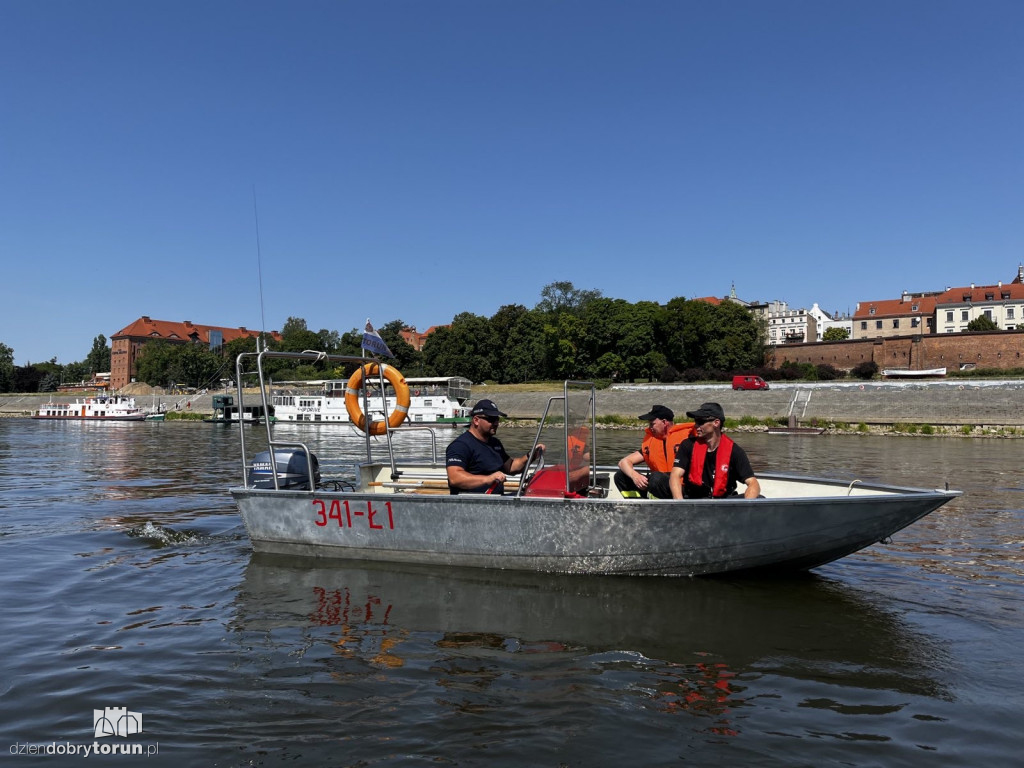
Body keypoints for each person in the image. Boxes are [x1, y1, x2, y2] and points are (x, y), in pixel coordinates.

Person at [446, 399, 545, 495]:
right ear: (476, 420)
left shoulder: (495, 443)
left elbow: (511, 467)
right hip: (471, 504)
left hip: (496, 502)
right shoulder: (460, 445)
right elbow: (455, 478)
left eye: (497, 419)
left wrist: (531, 455)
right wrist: (488, 479)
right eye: (492, 419)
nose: (496, 423)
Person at [669, 402, 761, 499]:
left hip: (723, 502)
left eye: (700, 422)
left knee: (760, 499)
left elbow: (752, 483)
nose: (696, 426)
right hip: (695, 498)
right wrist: (680, 504)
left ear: (716, 423)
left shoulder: (735, 451)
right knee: (657, 480)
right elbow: (675, 475)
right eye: (696, 421)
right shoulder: (687, 445)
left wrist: (747, 506)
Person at [614, 405, 694, 499]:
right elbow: (623, 462)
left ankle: (660, 509)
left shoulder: (688, 438)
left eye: (652, 424)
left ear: (664, 422)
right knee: (620, 475)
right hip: (656, 483)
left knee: (656, 477)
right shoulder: (651, 442)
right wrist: (635, 476)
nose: (650, 427)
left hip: (682, 486)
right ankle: (636, 507)